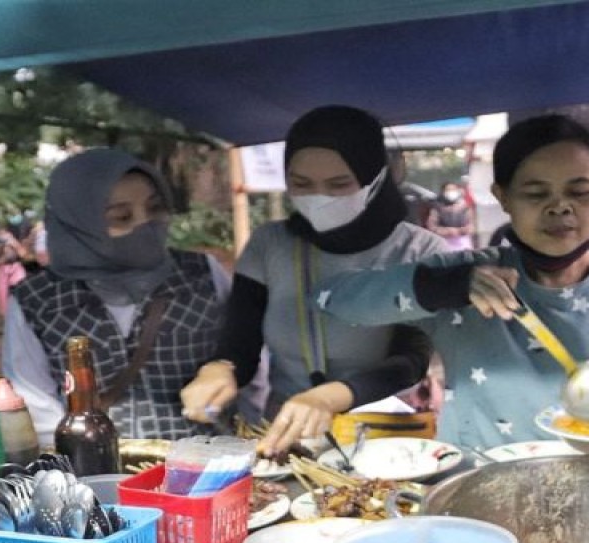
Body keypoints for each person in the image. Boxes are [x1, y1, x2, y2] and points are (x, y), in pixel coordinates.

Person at [317, 114, 589, 450]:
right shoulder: (460, 277)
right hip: (481, 492)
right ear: (503, 197)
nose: (560, 207)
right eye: (535, 193)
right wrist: (442, 287)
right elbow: (334, 298)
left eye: (579, 191)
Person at [179, 105, 448, 456]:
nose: (319, 198)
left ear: (376, 179)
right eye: (301, 184)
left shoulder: (420, 250)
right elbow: (240, 345)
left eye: (338, 185)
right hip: (287, 436)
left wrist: (327, 397)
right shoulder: (270, 245)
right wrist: (219, 369)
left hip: (388, 439)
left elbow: (411, 360)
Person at [4, 148, 231, 445]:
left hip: (207, 466)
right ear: (79, 226)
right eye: (122, 217)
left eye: (155, 208)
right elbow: (34, 404)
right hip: (95, 473)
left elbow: (246, 364)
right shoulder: (36, 300)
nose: (144, 225)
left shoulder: (202, 274)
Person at [425, 181, 477, 251]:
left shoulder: (465, 207)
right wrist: (447, 231)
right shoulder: (437, 208)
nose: (451, 192)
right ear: (443, 192)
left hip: (463, 245)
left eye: (453, 190)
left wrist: (460, 231)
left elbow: (471, 226)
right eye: (448, 190)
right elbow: (431, 227)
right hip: (443, 244)